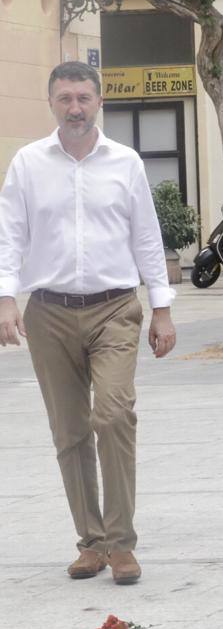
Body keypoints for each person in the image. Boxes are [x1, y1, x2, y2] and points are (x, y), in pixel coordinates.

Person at [0, 61, 177, 585]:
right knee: (70, 430)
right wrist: (5, 298)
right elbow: (10, 233)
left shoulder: (125, 162)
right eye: (64, 99)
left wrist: (161, 307)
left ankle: (121, 544)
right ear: (51, 103)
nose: (74, 107)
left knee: (114, 416)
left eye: (83, 98)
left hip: (114, 307)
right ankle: (91, 543)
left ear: (99, 101)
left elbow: (146, 235)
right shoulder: (28, 163)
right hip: (49, 312)